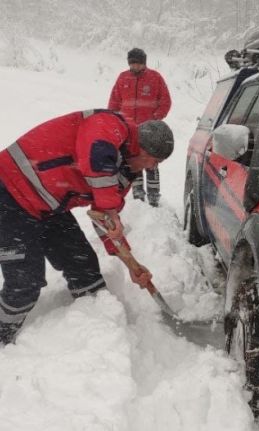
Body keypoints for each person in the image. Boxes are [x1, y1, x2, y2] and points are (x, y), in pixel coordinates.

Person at [0, 109, 174, 345]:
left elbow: (105, 220)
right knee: (25, 283)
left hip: (47, 209)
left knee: (83, 264)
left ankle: (97, 329)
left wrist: (130, 263)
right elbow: (96, 157)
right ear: (143, 148)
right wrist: (110, 209)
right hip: (8, 194)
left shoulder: (125, 173)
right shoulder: (111, 125)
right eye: (155, 161)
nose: (152, 168)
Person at [108, 48, 171, 207]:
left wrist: (155, 119)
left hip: (150, 131)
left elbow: (165, 101)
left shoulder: (155, 78)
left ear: (144, 63)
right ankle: (138, 194)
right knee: (133, 161)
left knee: (151, 162)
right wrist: (114, 120)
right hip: (128, 130)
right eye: (132, 63)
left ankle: (154, 195)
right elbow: (114, 102)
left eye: (138, 63)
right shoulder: (123, 78)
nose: (135, 66)